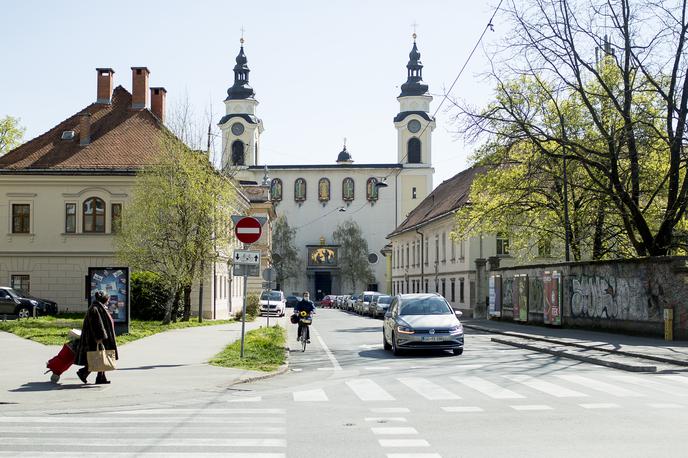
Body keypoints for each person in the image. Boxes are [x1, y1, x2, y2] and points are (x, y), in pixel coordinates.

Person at [75, 290, 119, 384]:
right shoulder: (95, 308)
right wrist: (100, 337)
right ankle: (83, 372)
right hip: (97, 338)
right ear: (104, 299)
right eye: (108, 299)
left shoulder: (100, 307)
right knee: (98, 357)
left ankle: (101, 377)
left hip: (102, 337)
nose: (108, 301)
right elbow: (97, 324)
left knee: (102, 357)